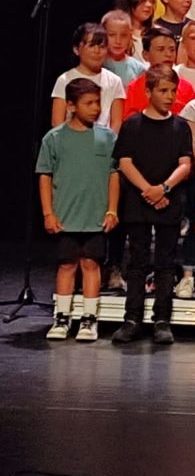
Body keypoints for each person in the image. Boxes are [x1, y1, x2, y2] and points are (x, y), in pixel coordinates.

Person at [110, 66, 193, 346]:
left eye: (173, 91)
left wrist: (164, 188)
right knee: (136, 261)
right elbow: (124, 162)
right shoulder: (133, 125)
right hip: (139, 200)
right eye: (163, 91)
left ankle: (162, 320)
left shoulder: (180, 126)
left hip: (168, 200)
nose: (170, 96)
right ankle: (132, 318)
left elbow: (185, 163)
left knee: (166, 263)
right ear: (148, 92)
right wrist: (148, 189)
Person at [39, 78, 119, 342]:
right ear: (71, 105)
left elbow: (113, 175)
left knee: (91, 263)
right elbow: (45, 175)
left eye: (98, 102)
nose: (95, 108)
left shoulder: (107, 138)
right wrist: (48, 213)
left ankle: (89, 318)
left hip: (95, 216)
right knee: (66, 265)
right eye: (89, 103)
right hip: (66, 215)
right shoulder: (54, 138)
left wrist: (112, 210)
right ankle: (61, 317)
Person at [52, 23, 126, 132]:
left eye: (102, 46)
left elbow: (116, 123)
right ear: (77, 49)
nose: (97, 51)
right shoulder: (64, 79)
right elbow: (57, 122)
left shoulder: (114, 81)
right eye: (91, 45)